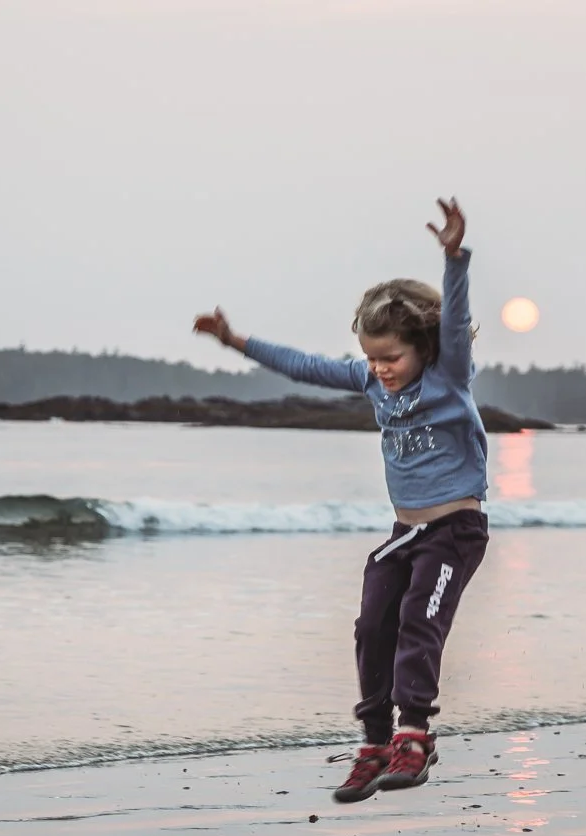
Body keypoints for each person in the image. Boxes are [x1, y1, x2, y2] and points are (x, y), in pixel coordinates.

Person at [194, 199, 489, 803]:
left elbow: (454, 324)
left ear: (422, 348)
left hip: (455, 529)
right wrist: (235, 340)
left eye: (392, 357)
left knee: (417, 622)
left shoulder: (447, 374)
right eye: (372, 357)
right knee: (371, 625)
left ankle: (415, 735)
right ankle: (376, 742)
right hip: (403, 533)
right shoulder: (366, 378)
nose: (379, 369)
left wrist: (454, 259)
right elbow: (304, 366)